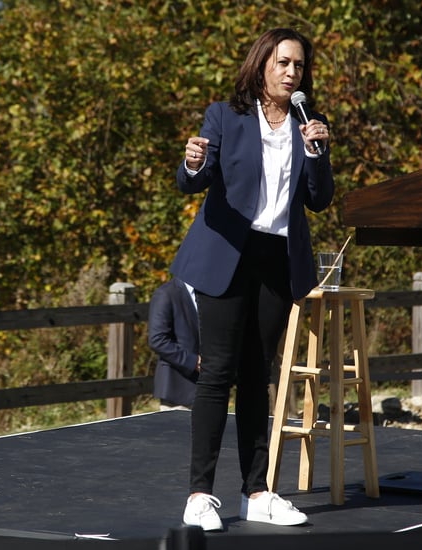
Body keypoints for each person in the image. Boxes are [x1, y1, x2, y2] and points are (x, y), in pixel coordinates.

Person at [170, 27, 334, 531]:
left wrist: (317, 154)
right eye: (283, 63)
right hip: (227, 254)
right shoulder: (226, 115)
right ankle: (200, 496)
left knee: (257, 376)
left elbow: (319, 198)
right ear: (262, 64)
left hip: (276, 257)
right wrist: (191, 161)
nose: (291, 72)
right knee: (217, 371)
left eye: (299, 66)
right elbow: (193, 179)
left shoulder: (310, 124)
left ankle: (257, 492)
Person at [147, 278, 200, 411]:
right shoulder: (166, 293)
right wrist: (194, 362)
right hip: (177, 390)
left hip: (206, 389)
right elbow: (158, 339)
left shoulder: (209, 294)